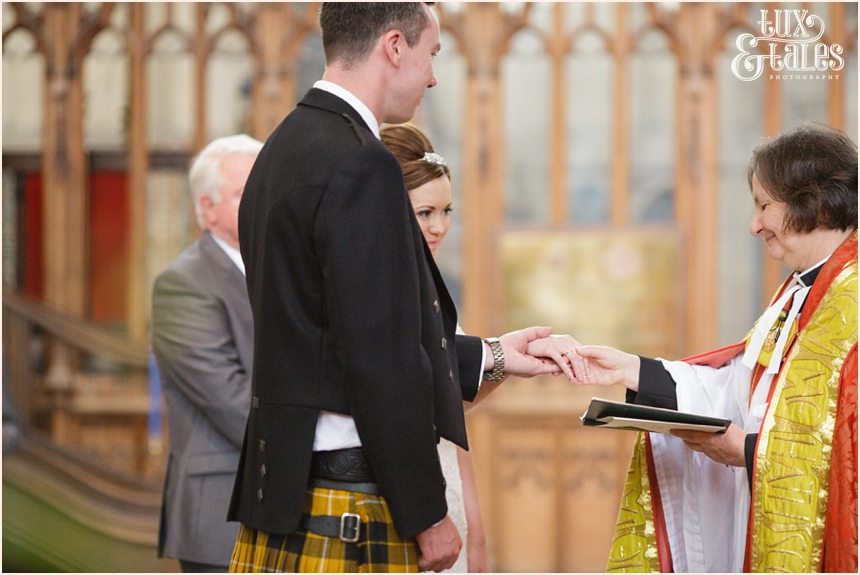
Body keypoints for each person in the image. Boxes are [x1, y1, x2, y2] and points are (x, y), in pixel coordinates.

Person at [227, 4, 575, 573]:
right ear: (394, 46)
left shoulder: (280, 150)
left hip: (286, 492)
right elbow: (378, 354)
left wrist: (494, 356)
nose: (433, 76)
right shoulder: (363, 164)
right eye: (431, 54)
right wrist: (426, 513)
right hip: (349, 504)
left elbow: (324, 333)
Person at [548, 123, 857, 573]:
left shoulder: (851, 300)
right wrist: (629, 370)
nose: (754, 226)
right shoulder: (797, 292)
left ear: (811, 200)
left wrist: (750, 452)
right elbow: (741, 388)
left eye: (763, 206)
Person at [151, 134, 263, 572]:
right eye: (242, 192)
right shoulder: (184, 284)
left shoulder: (283, 270)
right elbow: (228, 399)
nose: (259, 199)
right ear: (208, 208)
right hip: (222, 512)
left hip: (285, 505)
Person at [381, 123, 488, 572]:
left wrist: (474, 524)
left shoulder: (435, 292)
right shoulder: (377, 292)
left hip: (447, 489)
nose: (439, 227)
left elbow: (449, 413)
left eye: (447, 211)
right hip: (403, 508)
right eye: (425, 213)